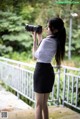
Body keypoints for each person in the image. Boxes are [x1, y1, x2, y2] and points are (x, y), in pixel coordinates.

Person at [32, 17, 66, 119]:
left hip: (41, 71)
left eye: (49, 27)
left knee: (38, 105)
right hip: (49, 71)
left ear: (55, 29)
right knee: (44, 104)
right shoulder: (57, 41)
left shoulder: (47, 41)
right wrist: (40, 37)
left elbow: (35, 56)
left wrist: (34, 40)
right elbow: (44, 49)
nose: (47, 28)